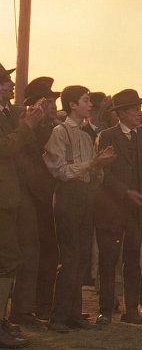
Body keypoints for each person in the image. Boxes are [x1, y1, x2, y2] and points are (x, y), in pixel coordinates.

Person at [43, 85, 116, 333]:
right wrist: (93, 163)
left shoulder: (86, 136)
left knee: (82, 257)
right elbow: (61, 171)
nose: (90, 105)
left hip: (85, 197)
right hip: (67, 196)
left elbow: (92, 175)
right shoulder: (60, 132)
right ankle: (58, 316)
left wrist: (100, 165)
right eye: (85, 100)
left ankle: (74, 314)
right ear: (72, 105)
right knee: (70, 257)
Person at [93, 89, 142, 326]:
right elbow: (103, 172)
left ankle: (131, 310)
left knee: (133, 261)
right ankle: (106, 310)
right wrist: (125, 192)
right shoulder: (107, 136)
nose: (138, 114)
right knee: (108, 261)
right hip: (110, 209)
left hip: (135, 211)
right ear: (120, 114)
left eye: (139, 109)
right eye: (133, 110)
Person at [0, 64, 44, 348]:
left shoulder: (7, 113)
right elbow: (5, 148)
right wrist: (26, 126)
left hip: (10, 196)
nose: (11, 84)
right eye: (4, 81)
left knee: (9, 259)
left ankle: (2, 320)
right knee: (7, 259)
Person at [12, 77, 60, 325]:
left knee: (50, 253)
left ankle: (43, 306)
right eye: (47, 102)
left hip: (49, 198)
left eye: (53, 102)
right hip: (29, 198)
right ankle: (24, 308)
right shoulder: (25, 126)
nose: (53, 106)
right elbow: (29, 155)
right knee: (30, 254)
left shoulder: (55, 127)